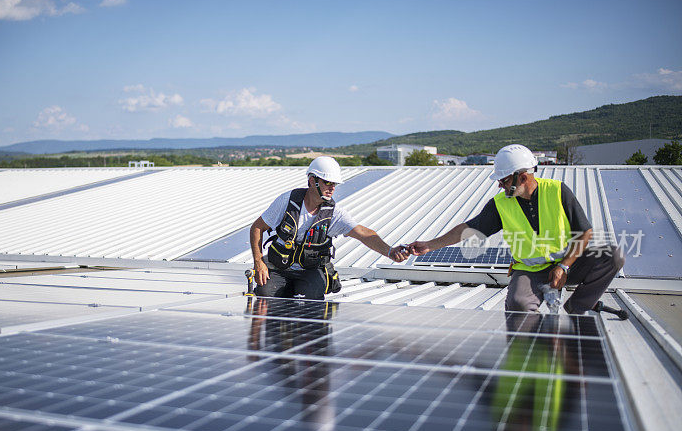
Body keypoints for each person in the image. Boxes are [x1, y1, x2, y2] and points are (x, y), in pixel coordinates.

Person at [406, 144, 625, 314]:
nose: (499, 185)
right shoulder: (501, 204)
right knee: (518, 306)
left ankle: (577, 308)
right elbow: (469, 228)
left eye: (503, 180)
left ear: (522, 176)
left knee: (612, 256)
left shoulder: (557, 191)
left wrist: (565, 267)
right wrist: (429, 245)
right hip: (531, 271)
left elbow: (585, 232)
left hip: (568, 264)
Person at [249, 156, 409, 299]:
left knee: (310, 296)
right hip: (279, 268)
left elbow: (363, 233)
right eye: (327, 182)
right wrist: (258, 262)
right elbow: (257, 228)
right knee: (265, 294)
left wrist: (390, 251)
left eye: (335, 184)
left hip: (309, 271)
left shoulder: (335, 214)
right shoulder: (287, 201)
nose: (332, 187)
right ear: (312, 181)